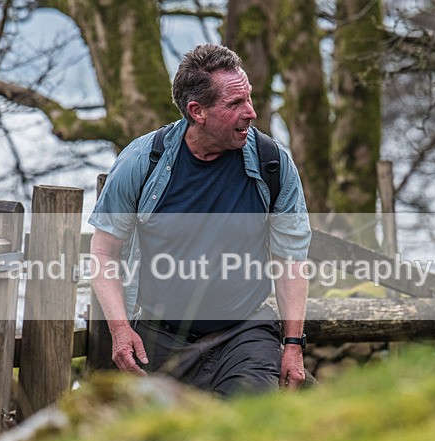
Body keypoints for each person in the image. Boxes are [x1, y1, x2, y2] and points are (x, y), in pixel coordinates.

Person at [88, 43, 311, 397]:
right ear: (198, 111)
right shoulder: (142, 162)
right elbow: (103, 253)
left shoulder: (272, 163)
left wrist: (294, 345)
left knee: (246, 417)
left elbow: (291, 259)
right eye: (235, 104)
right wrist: (120, 329)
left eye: (249, 98)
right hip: (160, 338)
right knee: (162, 430)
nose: (251, 112)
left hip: (245, 334)